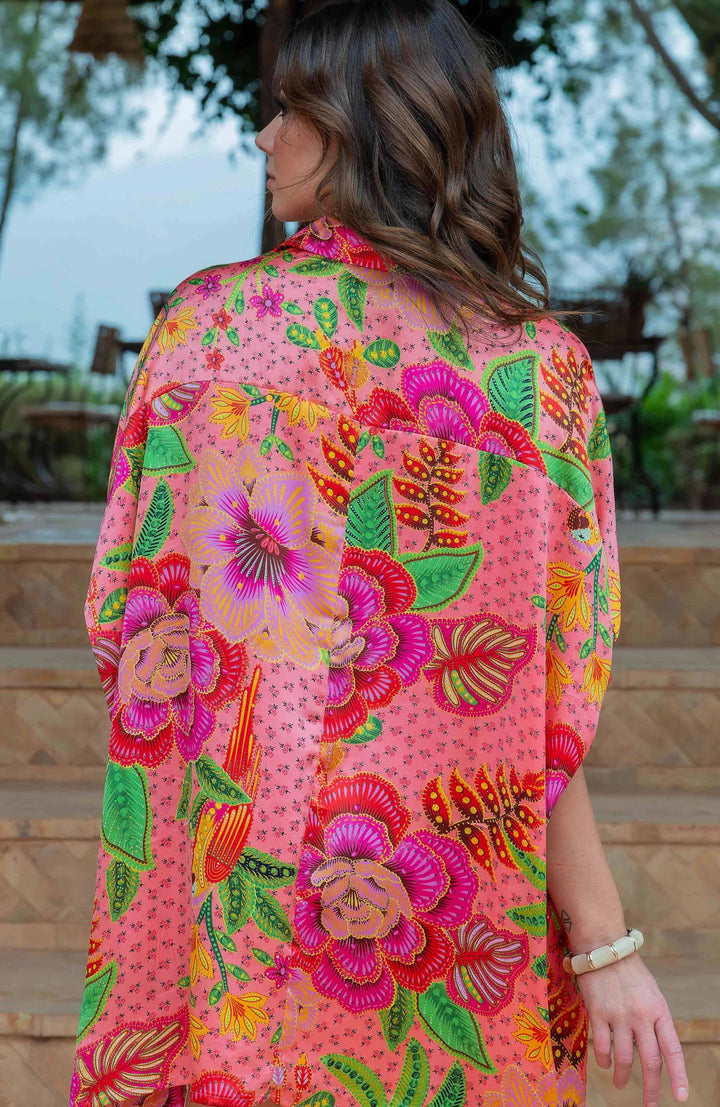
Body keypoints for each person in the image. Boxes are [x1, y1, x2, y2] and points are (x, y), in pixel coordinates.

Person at [68, 2, 690, 1106]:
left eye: (291, 109)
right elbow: (550, 717)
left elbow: (132, 632)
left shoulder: (208, 333)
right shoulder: (538, 376)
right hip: (448, 924)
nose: (263, 135)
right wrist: (605, 946)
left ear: (363, 125)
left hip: (234, 925)